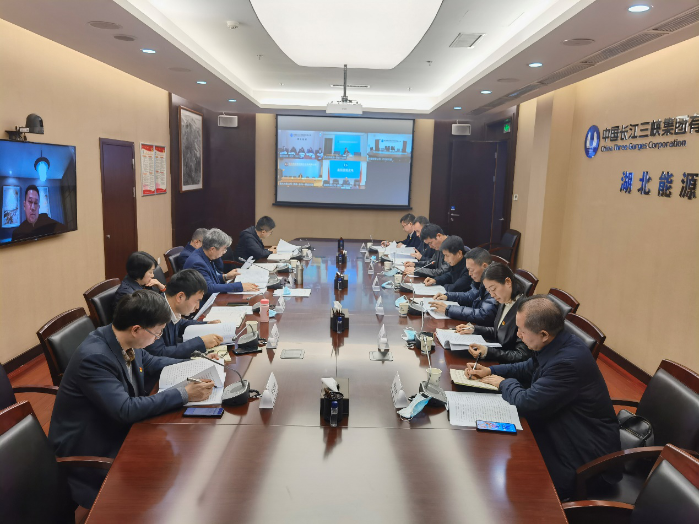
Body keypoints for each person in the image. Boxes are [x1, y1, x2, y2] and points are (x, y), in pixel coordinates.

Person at [48, 290, 215, 509]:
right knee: (170, 478)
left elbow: (153, 362)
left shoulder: (122, 339)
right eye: (157, 333)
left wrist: (197, 363)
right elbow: (125, 409)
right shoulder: (95, 358)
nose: (158, 338)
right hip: (92, 449)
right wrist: (184, 393)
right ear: (136, 329)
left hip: (115, 426)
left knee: (181, 456)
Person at [466, 296, 621, 500]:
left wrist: (503, 383)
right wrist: (491, 370)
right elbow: (529, 367)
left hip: (585, 457)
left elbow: (526, 403)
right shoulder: (556, 343)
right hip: (560, 428)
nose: (518, 335)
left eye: (522, 330)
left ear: (544, 334)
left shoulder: (567, 362)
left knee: (518, 484)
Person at [456, 262, 531, 363]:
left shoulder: (524, 311)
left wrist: (488, 352)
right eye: (489, 291)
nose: (492, 295)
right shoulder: (504, 300)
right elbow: (499, 331)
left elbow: (521, 355)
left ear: (508, 282)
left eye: (493, 289)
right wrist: (474, 329)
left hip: (505, 365)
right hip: (496, 357)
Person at [144, 269, 224, 360]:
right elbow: (159, 353)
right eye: (197, 301)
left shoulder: (170, 305)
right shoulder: (153, 313)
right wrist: (200, 342)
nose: (197, 307)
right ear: (180, 297)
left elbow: (181, 324)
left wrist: (207, 324)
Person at [184, 228, 259, 304]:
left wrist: (225, 277)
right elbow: (209, 288)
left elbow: (209, 279)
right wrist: (239, 286)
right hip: (201, 303)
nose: (224, 252)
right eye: (224, 249)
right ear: (212, 249)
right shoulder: (198, 263)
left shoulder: (204, 254)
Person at [429, 247, 498, 325]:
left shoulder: (495, 282)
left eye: (471, 270)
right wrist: (448, 296)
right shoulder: (483, 278)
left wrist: (449, 309)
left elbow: (484, 314)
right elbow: (470, 296)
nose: (469, 274)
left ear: (484, 266)